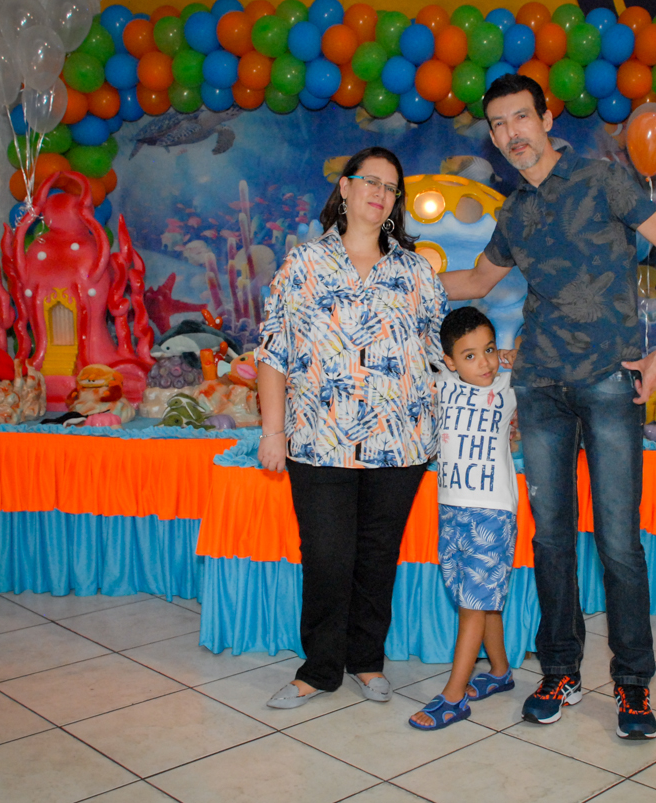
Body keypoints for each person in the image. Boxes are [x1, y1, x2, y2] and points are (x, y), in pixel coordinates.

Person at [439, 75, 656, 740]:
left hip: (613, 382)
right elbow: (475, 281)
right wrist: (393, 273)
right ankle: (559, 669)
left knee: (618, 543)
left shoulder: (603, 180)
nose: (511, 134)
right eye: (498, 125)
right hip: (541, 387)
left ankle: (634, 683)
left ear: (547, 116)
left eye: (521, 117)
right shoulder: (513, 212)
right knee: (551, 539)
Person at [256, 146, 448, 709]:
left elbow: (440, 357)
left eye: (391, 187)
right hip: (318, 442)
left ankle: (367, 660)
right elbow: (273, 353)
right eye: (369, 181)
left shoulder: (415, 272)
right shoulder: (303, 265)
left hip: (401, 444)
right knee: (327, 557)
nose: (379, 192)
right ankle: (318, 669)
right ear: (344, 188)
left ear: (395, 203)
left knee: (376, 556)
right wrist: (273, 432)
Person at [410, 307, 518, 730]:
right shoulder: (442, 383)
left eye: (488, 350)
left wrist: (506, 354)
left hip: (492, 511)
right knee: (474, 598)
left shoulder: (509, 385)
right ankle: (499, 673)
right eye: (470, 355)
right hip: (450, 507)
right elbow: (413, 350)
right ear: (450, 360)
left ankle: (454, 697)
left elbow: (535, 360)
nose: (485, 362)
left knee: (473, 604)